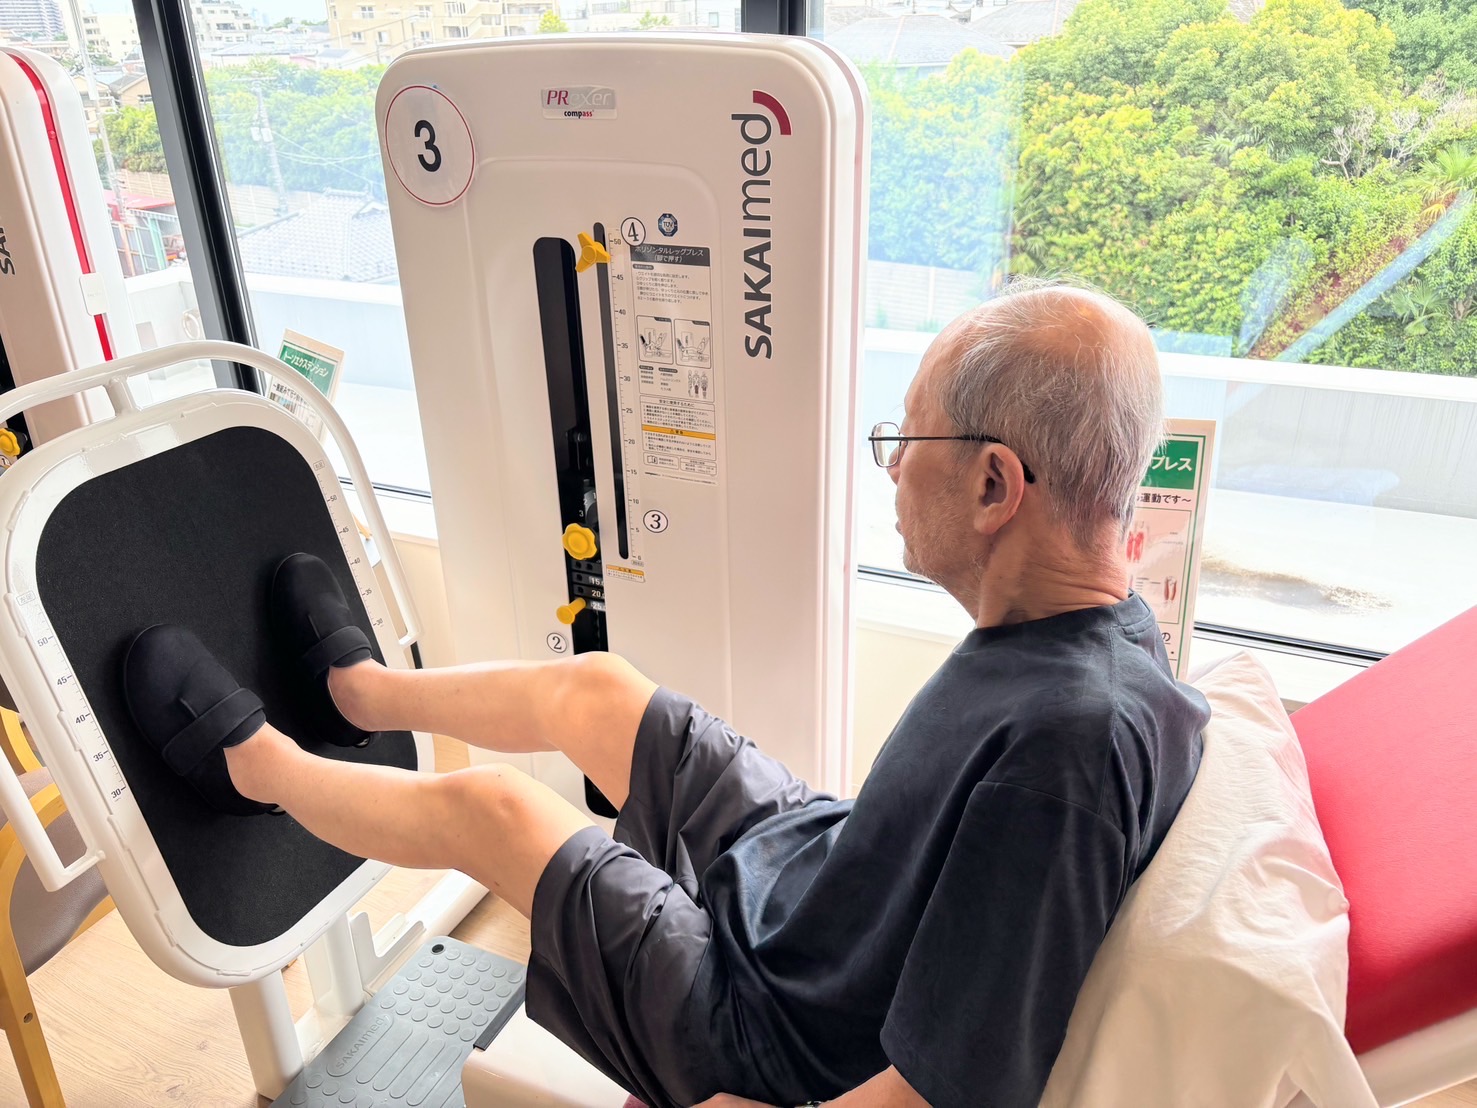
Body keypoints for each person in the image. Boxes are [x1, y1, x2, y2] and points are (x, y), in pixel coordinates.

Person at [121, 282, 1207, 1108]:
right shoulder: (1093, 638)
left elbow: (939, 1096)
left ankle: (252, 768)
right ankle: (358, 695)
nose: (890, 468)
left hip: (764, 1024)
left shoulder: (1063, 757)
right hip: (812, 875)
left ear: (993, 485)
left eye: (905, 440)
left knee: (492, 808)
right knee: (597, 688)